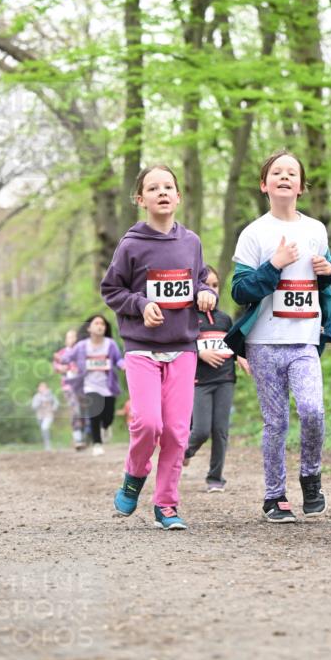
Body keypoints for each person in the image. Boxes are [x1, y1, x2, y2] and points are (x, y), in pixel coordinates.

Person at [225, 150, 331, 523]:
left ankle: (310, 475)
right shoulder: (254, 233)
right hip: (263, 342)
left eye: (292, 173)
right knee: (276, 422)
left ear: (302, 186)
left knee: (313, 410)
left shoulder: (316, 230)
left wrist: (329, 269)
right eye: (277, 172)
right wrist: (273, 264)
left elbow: (326, 278)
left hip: (305, 338)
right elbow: (240, 291)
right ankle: (275, 497)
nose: (285, 177)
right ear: (265, 185)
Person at [101, 165, 216, 531]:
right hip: (141, 348)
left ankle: (166, 504)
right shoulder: (131, 244)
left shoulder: (191, 242)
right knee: (148, 422)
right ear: (141, 199)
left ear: (179, 196)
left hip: (183, 346)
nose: (162, 192)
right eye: (153, 188)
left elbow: (201, 280)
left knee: (177, 431)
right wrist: (139, 305)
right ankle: (134, 475)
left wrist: (206, 294)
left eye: (169, 187)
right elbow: (112, 290)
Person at [184, 265, 250, 493]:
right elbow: (181, 345)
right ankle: (183, 453)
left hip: (225, 379)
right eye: (206, 285)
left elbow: (234, 344)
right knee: (201, 430)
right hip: (200, 381)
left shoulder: (224, 319)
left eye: (215, 285)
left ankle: (215, 478)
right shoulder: (189, 319)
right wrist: (200, 352)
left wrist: (241, 357)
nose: (211, 290)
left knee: (220, 430)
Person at [68, 315, 124, 457]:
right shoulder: (82, 345)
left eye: (103, 324)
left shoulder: (110, 344)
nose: (100, 326)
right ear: (89, 328)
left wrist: (124, 365)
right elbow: (69, 356)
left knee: (108, 416)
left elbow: (118, 360)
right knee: (94, 413)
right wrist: (60, 360)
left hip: (108, 386)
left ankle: (106, 427)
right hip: (89, 385)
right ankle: (97, 444)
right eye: (97, 323)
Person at [53, 329, 86, 449]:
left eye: (74, 337)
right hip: (68, 387)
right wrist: (63, 368)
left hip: (83, 387)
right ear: (66, 340)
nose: (72, 339)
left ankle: (84, 436)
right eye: (69, 337)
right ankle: (78, 438)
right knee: (75, 409)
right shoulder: (61, 353)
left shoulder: (82, 351)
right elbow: (56, 366)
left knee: (83, 411)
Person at [31, 382, 59, 451]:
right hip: (40, 416)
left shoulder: (51, 395)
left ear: (47, 388)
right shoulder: (36, 396)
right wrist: (40, 402)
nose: (42, 389)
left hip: (49, 415)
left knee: (44, 427)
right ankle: (46, 444)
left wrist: (53, 408)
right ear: (38, 388)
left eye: (44, 387)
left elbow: (56, 403)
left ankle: (48, 445)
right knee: (43, 430)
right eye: (40, 387)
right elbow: (33, 406)